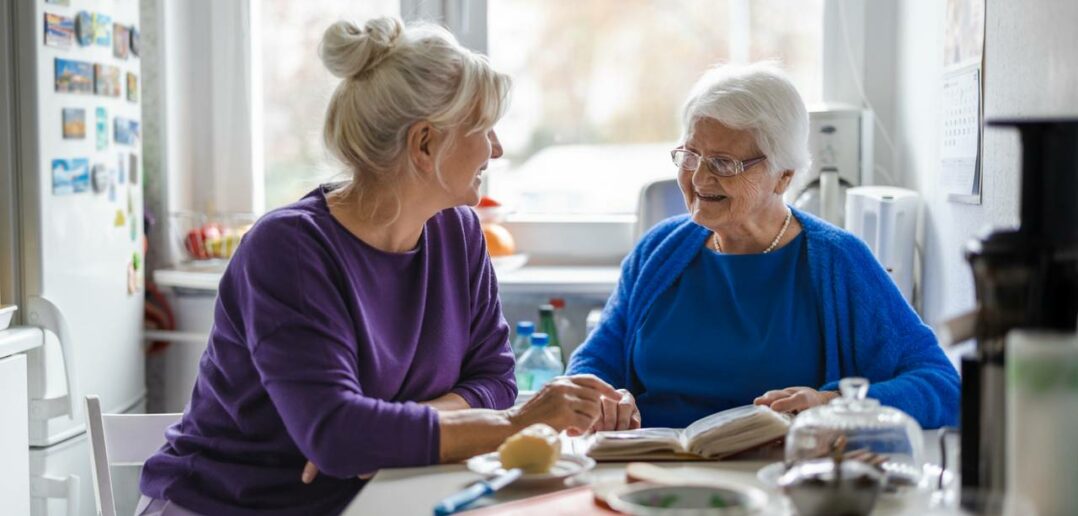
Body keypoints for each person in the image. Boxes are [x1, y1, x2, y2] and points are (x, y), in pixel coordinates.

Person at [138, 17, 626, 516]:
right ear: (424, 144)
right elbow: (338, 435)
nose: (496, 149)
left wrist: (383, 434)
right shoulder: (289, 250)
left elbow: (495, 379)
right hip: (231, 506)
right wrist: (513, 423)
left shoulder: (458, 232)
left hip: (368, 497)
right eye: (482, 129)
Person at [567, 62, 959, 431]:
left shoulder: (838, 261)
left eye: (723, 163)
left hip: (778, 483)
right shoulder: (659, 250)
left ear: (782, 176)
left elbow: (943, 386)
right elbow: (594, 362)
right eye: (691, 155)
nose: (699, 178)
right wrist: (605, 399)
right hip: (651, 473)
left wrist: (832, 405)